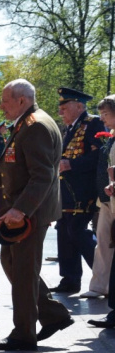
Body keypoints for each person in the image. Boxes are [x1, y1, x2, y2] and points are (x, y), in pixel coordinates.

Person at [0, 79, 72, 351]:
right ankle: (53, 314)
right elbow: (22, 166)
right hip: (26, 210)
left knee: (23, 271)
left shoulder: (35, 125)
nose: (1, 105)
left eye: (5, 100)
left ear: (21, 100)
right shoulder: (29, 121)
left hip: (30, 214)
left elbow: (42, 175)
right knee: (14, 265)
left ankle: (23, 334)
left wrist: (21, 209)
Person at [51, 87, 105, 294]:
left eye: (64, 107)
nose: (60, 112)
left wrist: (72, 164)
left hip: (84, 190)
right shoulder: (71, 128)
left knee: (77, 231)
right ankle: (70, 280)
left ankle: (105, 276)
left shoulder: (94, 124)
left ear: (79, 106)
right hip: (66, 191)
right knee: (64, 232)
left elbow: (100, 156)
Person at [86, 96, 115, 322]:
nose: (102, 118)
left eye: (106, 113)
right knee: (102, 240)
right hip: (106, 198)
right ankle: (99, 285)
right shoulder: (111, 136)